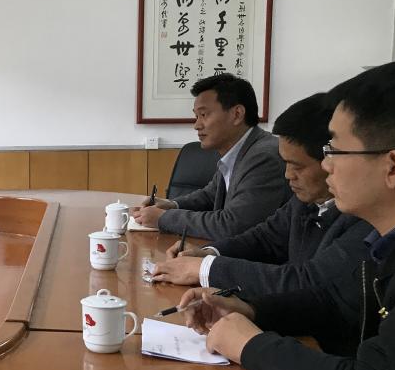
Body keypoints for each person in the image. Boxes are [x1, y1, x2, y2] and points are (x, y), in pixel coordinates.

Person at [180, 60, 395, 370]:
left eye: (335, 150)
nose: (327, 165)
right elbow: (335, 301)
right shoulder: (387, 239)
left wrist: (249, 344)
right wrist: (248, 308)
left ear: (392, 167)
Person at [151, 93, 372, 296]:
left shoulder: (364, 216)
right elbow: (265, 239)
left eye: (297, 166)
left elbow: (309, 281)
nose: (287, 175)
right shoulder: (307, 199)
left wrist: (206, 268)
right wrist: (209, 253)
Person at [132, 74, 290, 238]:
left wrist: (164, 218)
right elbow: (211, 195)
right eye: (196, 116)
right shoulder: (238, 150)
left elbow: (233, 225)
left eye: (204, 115)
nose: (196, 125)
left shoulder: (263, 157)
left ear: (237, 114)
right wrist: (171, 205)